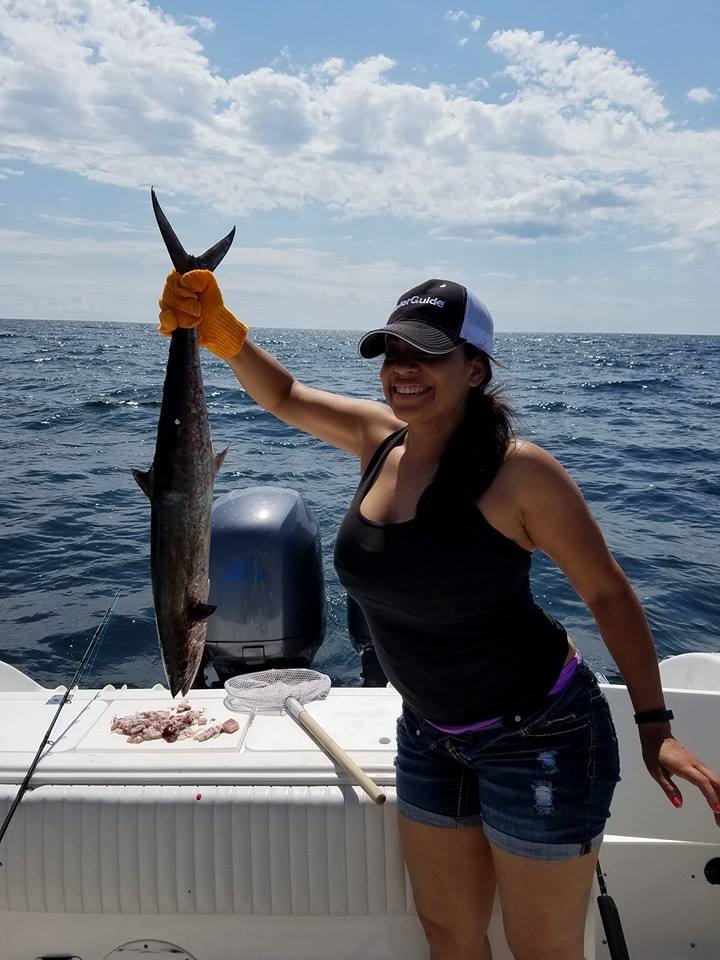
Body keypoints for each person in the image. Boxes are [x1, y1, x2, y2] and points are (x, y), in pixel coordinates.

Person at [158, 271, 720, 960]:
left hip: (541, 737)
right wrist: (223, 333)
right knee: (449, 934)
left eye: (426, 354)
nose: (404, 370)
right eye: (393, 354)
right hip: (429, 734)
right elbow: (285, 396)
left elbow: (607, 593)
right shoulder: (378, 438)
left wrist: (654, 725)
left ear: (474, 369)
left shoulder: (521, 473)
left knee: (542, 950)